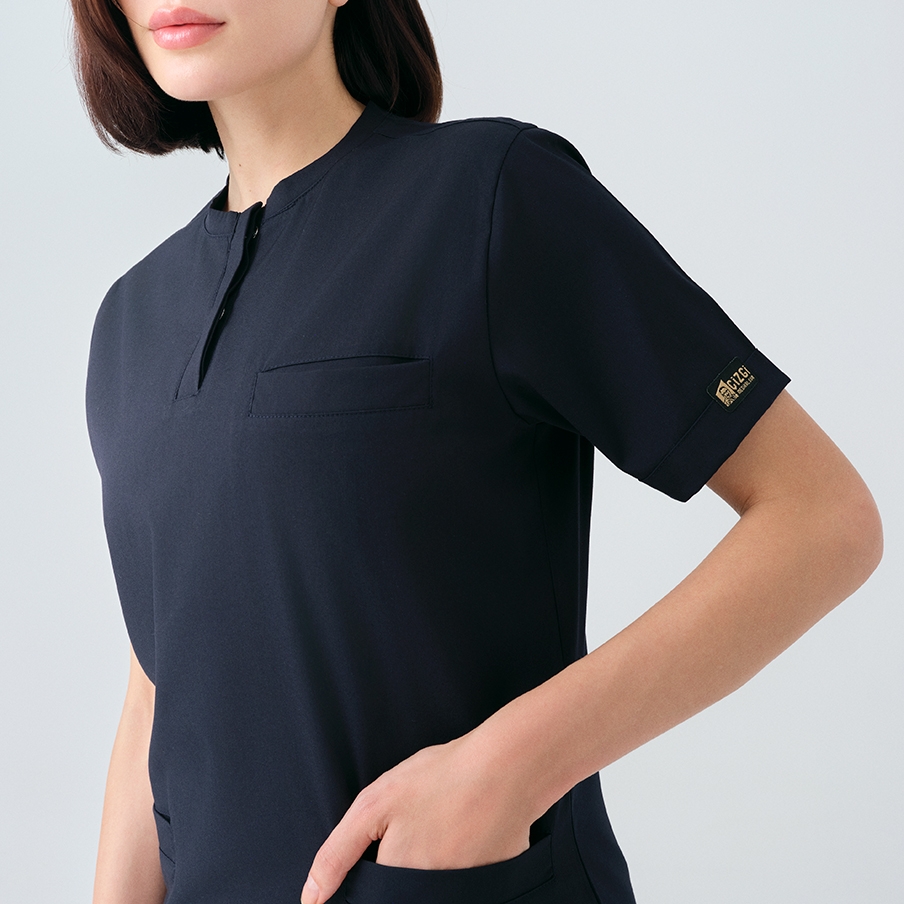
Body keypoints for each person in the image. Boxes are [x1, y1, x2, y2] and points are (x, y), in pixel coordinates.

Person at [71, 2, 883, 903]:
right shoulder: (130, 323)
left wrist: (509, 768)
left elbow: (822, 517)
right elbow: (159, 685)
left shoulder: (490, 198)